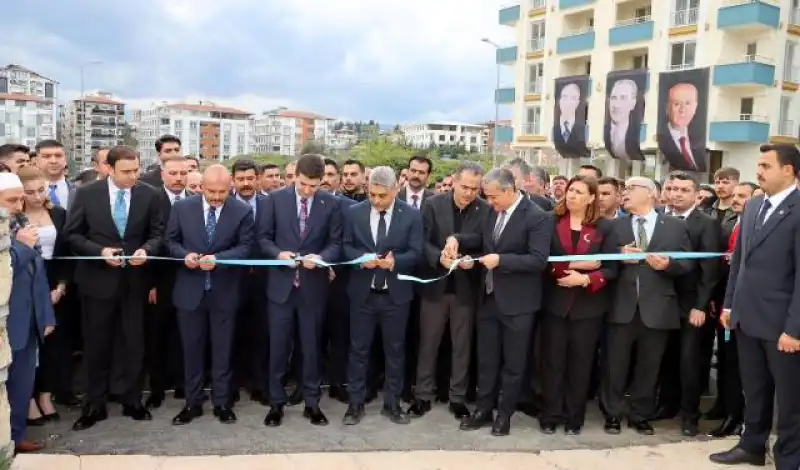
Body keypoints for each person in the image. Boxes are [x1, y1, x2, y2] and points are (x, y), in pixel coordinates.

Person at [711, 144, 800, 469]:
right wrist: (730, 304)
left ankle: (790, 457)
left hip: (783, 325)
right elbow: (740, 264)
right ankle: (752, 445)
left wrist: (795, 328)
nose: (758, 171)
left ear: (788, 169)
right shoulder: (753, 206)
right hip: (746, 319)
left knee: (790, 400)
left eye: (766, 165)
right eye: (758, 165)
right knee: (755, 389)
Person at [63, 145, 164, 431]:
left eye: (136, 170)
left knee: (134, 343)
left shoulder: (149, 194)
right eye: (126, 172)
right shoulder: (85, 194)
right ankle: (94, 404)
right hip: (97, 282)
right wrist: (99, 251)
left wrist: (146, 250)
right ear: (108, 168)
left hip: (134, 282)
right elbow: (72, 235)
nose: (133, 176)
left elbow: (158, 233)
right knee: (96, 345)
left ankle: (132, 399)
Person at [460, 168, 553, 436]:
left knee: (513, 364)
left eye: (493, 197)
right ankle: (483, 409)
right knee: (487, 360)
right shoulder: (493, 212)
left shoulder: (537, 217)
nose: (489, 203)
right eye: (486, 197)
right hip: (489, 299)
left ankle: (504, 414)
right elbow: (482, 240)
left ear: (509, 191)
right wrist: (458, 241)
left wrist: (501, 261)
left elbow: (538, 260)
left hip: (519, 305)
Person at [603, 176, 692, 436]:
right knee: (615, 364)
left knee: (649, 365)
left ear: (651, 194)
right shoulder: (614, 227)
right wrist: (619, 256)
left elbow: (688, 263)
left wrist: (669, 266)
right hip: (621, 306)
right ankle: (613, 413)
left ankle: (640, 413)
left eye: (631, 188)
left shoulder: (674, 226)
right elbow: (603, 262)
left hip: (658, 309)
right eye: (624, 188)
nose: (625, 192)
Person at [166, 164, 254, 425]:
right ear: (201, 187)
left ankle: (222, 403)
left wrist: (219, 259)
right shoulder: (182, 208)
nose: (216, 197)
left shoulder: (242, 211)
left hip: (224, 293)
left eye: (222, 192)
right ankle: (192, 404)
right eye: (211, 191)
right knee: (191, 351)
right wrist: (185, 256)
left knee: (223, 351)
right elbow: (170, 242)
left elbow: (247, 247)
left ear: (231, 188)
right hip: (189, 293)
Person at [259, 154, 342, 427]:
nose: (308, 190)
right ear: (294, 176)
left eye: (314, 185)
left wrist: (320, 257)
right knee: (278, 349)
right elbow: (263, 238)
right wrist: (277, 253)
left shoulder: (331, 203)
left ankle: (312, 403)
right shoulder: (273, 200)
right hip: (281, 289)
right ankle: (276, 404)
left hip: (312, 289)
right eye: (304, 184)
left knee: (311, 348)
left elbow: (336, 243)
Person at [407, 161, 490, 420]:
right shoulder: (433, 204)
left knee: (462, 346)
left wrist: (470, 259)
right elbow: (422, 241)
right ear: (453, 181)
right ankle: (422, 395)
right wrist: (438, 259)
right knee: (428, 344)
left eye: (474, 189)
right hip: (435, 287)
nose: (468, 193)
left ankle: (458, 397)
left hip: (466, 289)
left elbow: (485, 242)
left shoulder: (485, 210)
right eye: (465, 186)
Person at [341, 166, 423, 425]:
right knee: (358, 350)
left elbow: (417, 252)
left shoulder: (411, 216)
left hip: (395, 296)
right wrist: (360, 260)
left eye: (382, 196)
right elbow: (345, 246)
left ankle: (392, 404)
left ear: (395, 190)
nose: (376, 201)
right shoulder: (353, 213)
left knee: (395, 351)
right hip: (362, 295)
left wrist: (395, 261)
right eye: (372, 195)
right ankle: (355, 404)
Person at [539, 175, 617, 435]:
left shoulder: (605, 228)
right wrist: (572, 265)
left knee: (581, 364)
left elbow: (612, 268)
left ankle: (575, 418)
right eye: (570, 190)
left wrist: (586, 278)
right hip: (555, 304)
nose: (571, 196)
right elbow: (541, 260)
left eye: (579, 192)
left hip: (588, 307)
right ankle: (550, 414)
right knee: (553, 362)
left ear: (591, 198)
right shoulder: (550, 221)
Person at [653, 172, 720, 436]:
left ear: (696, 194)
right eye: (673, 188)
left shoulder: (706, 223)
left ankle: (689, 415)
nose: (677, 193)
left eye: (684, 189)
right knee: (665, 357)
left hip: (691, 303)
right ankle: (666, 405)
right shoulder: (660, 218)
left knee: (689, 361)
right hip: (662, 300)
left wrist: (701, 306)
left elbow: (709, 268)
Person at [1, 172, 56, 453]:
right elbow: (6, 267)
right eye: (11, 200)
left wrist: (46, 315)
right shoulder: (16, 234)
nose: (18, 205)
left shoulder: (22, 226)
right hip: (6, 322)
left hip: (29, 321)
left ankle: (17, 434)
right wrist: (22, 245)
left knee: (23, 385)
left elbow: (39, 274)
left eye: (20, 199)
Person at [17, 168, 71, 425]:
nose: (37, 196)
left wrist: (60, 287)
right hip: (25, 282)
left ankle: (46, 395)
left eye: (42, 189)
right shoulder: (13, 218)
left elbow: (67, 253)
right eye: (30, 192)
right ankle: (27, 401)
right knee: (29, 345)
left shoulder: (58, 214)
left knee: (55, 345)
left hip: (54, 281)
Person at [708, 181, 755, 438]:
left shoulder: (753, 228)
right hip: (726, 302)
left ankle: (738, 417)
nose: (736, 200)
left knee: (740, 365)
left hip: (745, 308)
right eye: (734, 196)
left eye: (742, 196)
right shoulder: (731, 225)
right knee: (725, 360)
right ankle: (724, 406)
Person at [144, 157, 191, 408]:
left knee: (184, 335)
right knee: (157, 336)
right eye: (173, 173)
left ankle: (184, 383)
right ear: (163, 174)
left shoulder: (195, 200)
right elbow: (149, 239)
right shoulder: (152, 200)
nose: (179, 178)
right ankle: (157, 388)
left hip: (189, 278)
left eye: (183, 173)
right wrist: (150, 283)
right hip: (159, 281)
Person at [659, 82, 706, 172]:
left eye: (688, 103)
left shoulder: (698, 142)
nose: (682, 110)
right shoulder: (661, 139)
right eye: (677, 104)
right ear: (667, 107)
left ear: (695, 107)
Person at [604, 79, 641, 162]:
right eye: (613, 98)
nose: (616, 105)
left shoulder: (636, 132)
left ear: (633, 103)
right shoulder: (605, 131)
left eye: (623, 98)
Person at [553, 82, 588, 158]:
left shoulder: (582, 130)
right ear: (559, 101)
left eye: (573, 98)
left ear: (578, 102)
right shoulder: (555, 129)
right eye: (565, 97)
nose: (568, 102)